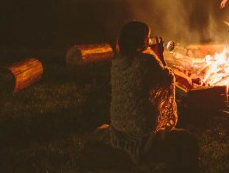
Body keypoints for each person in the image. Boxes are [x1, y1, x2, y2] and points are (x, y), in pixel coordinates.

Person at [83, 21, 198, 171]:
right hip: (146, 133)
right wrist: (159, 55)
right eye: (148, 37)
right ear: (143, 41)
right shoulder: (148, 61)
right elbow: (167, 78)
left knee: (101, 131)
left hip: (119, 131)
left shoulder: (117, 64)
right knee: (188, 141)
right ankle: (148, 161)